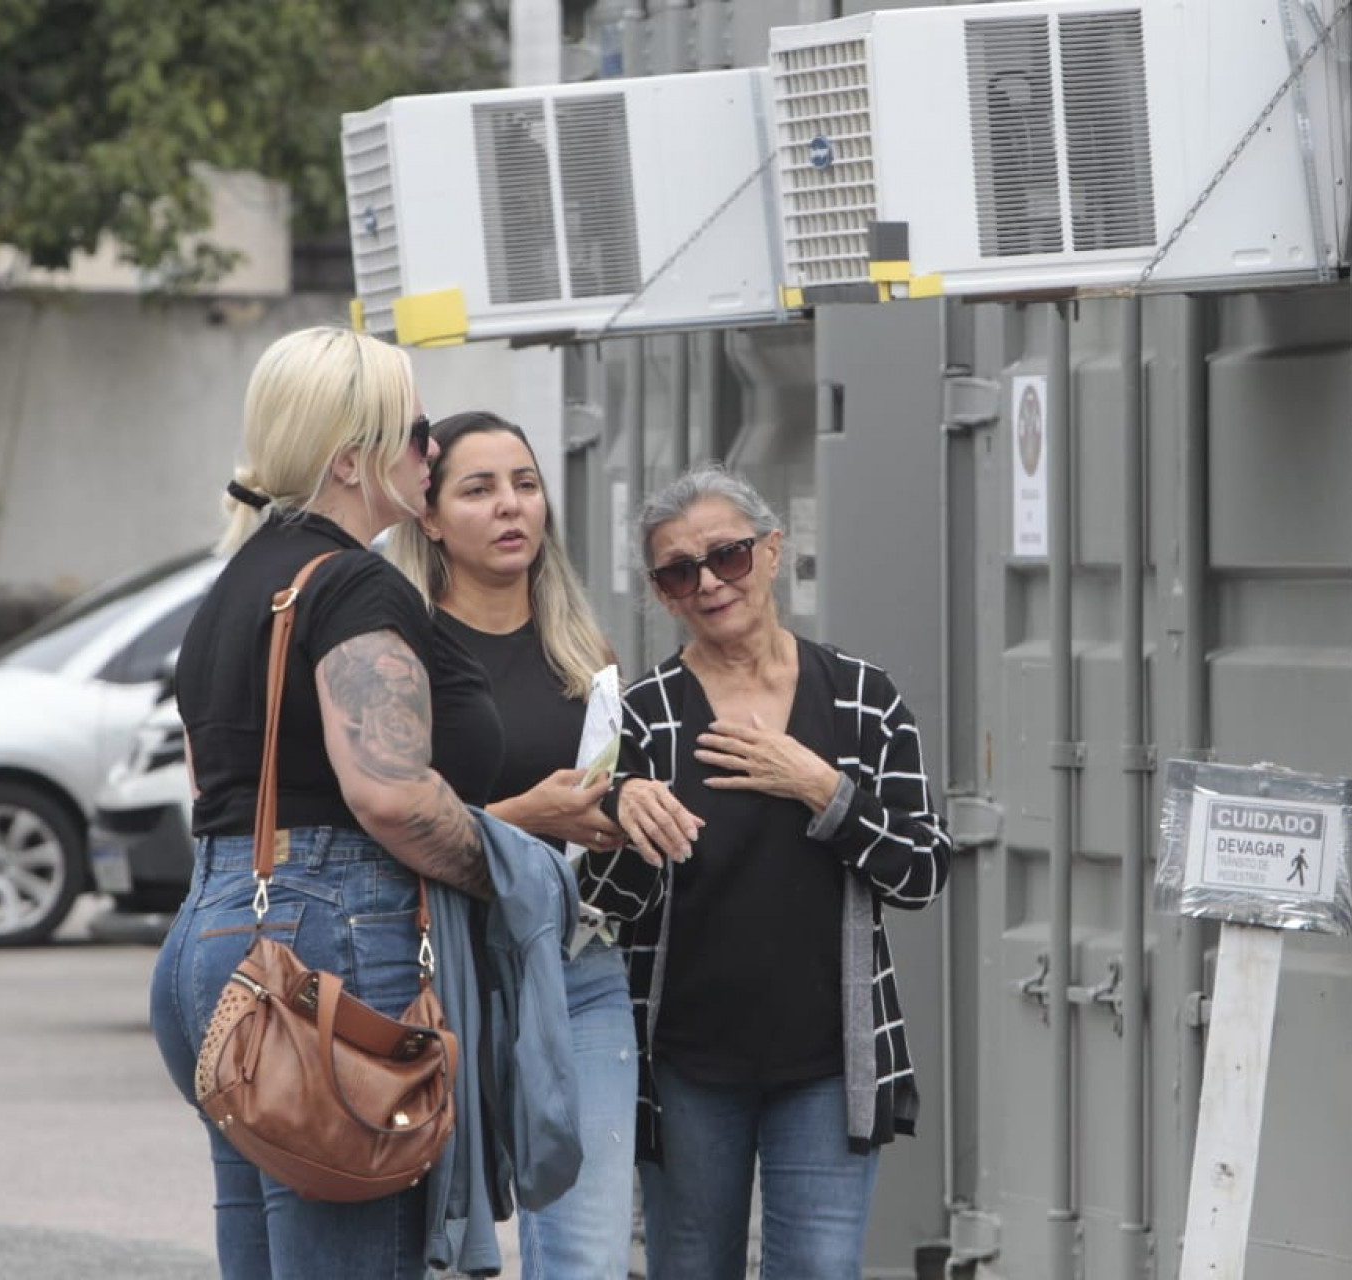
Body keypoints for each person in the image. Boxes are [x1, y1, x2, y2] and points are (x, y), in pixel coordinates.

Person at [149, 326, 501, 1280]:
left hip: (216, 935)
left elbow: (208, 785)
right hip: (328, 935)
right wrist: (507, 865)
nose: (433, 451)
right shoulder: (351, 584)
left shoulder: (233, 585)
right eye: (418, 431)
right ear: (355, 458)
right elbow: (386, 794)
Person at [588, 462, 952, 1280]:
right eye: (681, 571)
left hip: (827, 1063)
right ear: (662, 593)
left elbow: (923, 872)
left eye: (730, 556)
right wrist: (620, 812)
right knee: (689, 1267)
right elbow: (602, 910)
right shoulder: (643, 716)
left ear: (774, 550)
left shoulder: (862, 698)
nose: (711, 583)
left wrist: (821, 787)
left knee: (821, 1269)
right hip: (686, 1062)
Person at [385, 410, 637, 1278]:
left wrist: (631, 811)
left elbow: (598, 803)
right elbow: (385, 818)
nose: (510, 507)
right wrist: (521, 819)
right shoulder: (401, 647)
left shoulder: (584, 653)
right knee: (437, 1246)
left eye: (525, 485)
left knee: (588, 1255)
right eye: (479, 488)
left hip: (577, 970)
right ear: (429, 515)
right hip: (441, 972)